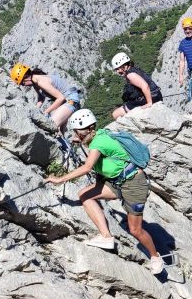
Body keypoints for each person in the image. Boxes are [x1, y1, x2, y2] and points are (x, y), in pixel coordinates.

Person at [45, 108, 164, 274]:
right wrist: (82, 142)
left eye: (77, 132)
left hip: (134, 184)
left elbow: (87, 167)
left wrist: (59, 179)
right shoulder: (97, 136)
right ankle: (106, 237)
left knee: (135, 230)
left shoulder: (98, 142)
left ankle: (155, 257)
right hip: (117, 182)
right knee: (85, 195)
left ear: (88, 129)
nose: (75, 135)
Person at [10, 62, 82, 132]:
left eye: (22, 83)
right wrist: (35, 109)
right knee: (60, 132)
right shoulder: (35, 82)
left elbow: (61, 98)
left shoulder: (41, 81)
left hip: (71, 100)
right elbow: (41, 97)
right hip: (68, 101)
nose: (24, 85)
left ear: (25, 78)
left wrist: (46, 112)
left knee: (50, 126)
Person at [110, 52, 163, 120]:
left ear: (123, 66)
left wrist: (149, 103)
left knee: (115, 114)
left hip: (151, 98)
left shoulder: (130, 75)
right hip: (156, 95)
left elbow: (145, 86)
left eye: (118, 69)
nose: (117, 71)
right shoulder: (134, 69)